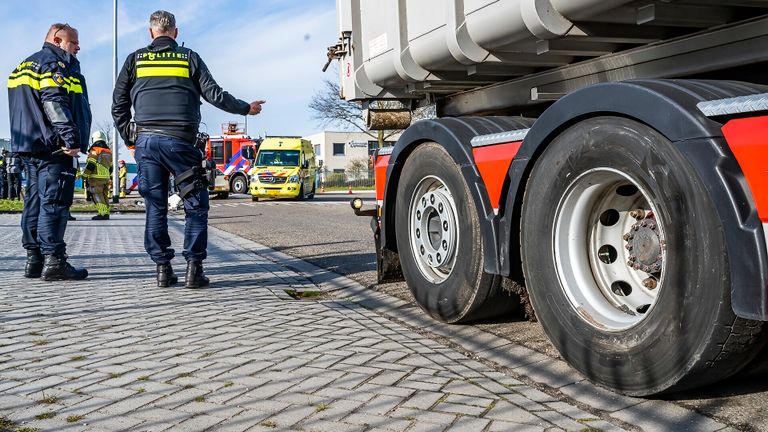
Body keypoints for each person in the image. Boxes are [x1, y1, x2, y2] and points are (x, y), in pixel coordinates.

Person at [112, 10, 264, 288]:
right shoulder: (188, 57)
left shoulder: (135, 59)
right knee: (195, 206)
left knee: (155, 207)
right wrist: (246, 108)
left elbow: (118, 105)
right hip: (181, 142)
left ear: (150, 33)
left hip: (146, 142)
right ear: (176, 33)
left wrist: (131, 139)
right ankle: (194, 270)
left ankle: (163, 269)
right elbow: (214, 94)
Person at [7, 23, 90, 280]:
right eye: (73, 42)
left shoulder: (22, 66)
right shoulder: (54, 65)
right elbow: (54, 102)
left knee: (34, 202)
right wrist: (70, 138)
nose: (78, 47)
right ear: (57, 39)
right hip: (54, 148)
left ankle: (34, 259)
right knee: (54, 203)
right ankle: (54, 260)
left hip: (29, 146)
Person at [82, 131, 113, 220]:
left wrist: (84, 175)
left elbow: (91, 165)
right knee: (104, 195)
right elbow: (111, 167)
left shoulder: (95, 150)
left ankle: (102, 214)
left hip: (95, 178)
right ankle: (106, 213)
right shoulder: (109, 152)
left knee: (97, 196)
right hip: (105, 178)